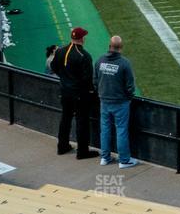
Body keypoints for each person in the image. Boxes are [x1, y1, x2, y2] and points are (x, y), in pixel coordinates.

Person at [51, 27, 98, 159]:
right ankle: (82, 151)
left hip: (65, 91)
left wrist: (65, 78)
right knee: (82, 121)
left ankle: (62, 146)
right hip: (79, 94)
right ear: (82, 38)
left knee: (65, 118)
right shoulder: (84, 55)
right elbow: (87, 78)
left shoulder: (61, 51)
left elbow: (54, 67)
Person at [96, 35, 138, 169]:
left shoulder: (100, 61)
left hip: (104, 101)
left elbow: (95, 80)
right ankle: (124, 160)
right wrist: (129, 96)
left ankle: (105, 157)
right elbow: (130, 86)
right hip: (120, 102)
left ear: (109, 46)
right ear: (121, 48)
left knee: (105, 130)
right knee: (121, 130)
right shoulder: (124, 63)